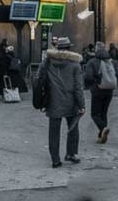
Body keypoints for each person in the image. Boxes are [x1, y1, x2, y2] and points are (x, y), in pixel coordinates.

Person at [37, 37, 85, 168]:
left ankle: (55, 159)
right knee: (73, 128)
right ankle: (71, 153)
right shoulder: (75, 64)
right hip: (71, 102)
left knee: (54, 131)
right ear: (69, 48)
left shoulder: (47, 62)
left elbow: (39, 78)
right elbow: (78, 88)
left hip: (53, 101)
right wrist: (82, 105)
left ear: (57, 48)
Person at [85, 41, 118, 143]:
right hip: (109, 91)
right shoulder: (113, 62)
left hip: (97, 90)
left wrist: (94, 83)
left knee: (94, 114)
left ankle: (103, 129)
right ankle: (101, 136)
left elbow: (88, 76)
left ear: (96, 50)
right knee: (103, 113)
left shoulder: (92, 62)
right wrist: (114, 83)